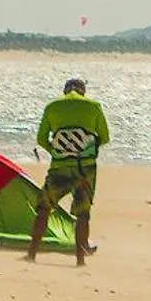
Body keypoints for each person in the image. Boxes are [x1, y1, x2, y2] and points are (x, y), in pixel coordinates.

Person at [27, 77, 109, 266]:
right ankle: (80, 260)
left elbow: (41, 139)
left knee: (44, 208)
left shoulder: (52, 107)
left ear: (65, 91)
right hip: (85, 168)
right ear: (83, 91)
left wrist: (58, 152)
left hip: (59, 167)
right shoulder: (94, 106)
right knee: (82, 214)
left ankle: (32, 254)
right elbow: (104, 137)